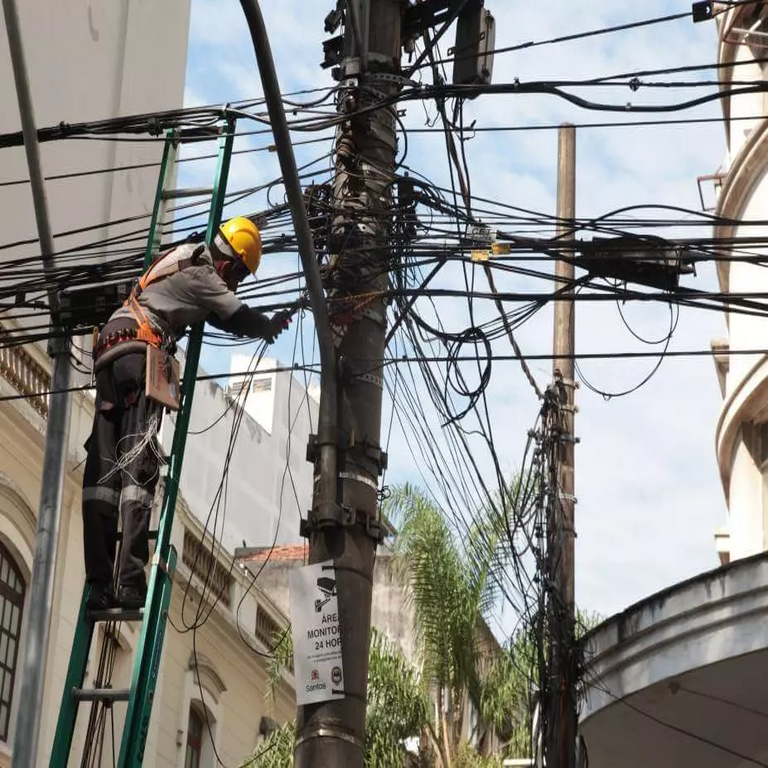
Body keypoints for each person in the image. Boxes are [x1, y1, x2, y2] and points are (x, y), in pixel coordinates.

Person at [82, 216, 289, 610]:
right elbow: (235, 315)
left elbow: (211, 315)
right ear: (229, 265)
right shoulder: (205, 273)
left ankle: (97, 583)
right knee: (136, 471)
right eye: (239, 277)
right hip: (140, 351)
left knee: (102, 475)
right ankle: (128, 583)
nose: (235, 285)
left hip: (109, 349)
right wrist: (267, 326)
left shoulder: (180, 256)